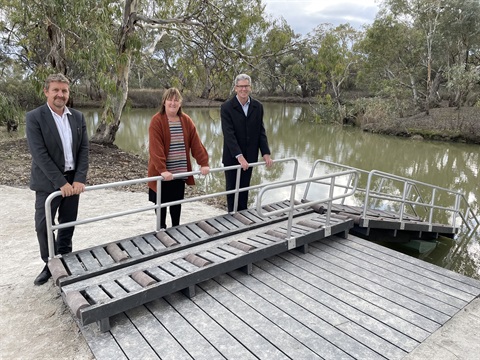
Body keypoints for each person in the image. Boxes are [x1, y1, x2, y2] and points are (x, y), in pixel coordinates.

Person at [26, 73, 89, 286]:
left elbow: (84, 150)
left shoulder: (78, 117)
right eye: (56, 90)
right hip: (47, 183)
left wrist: (79, 178)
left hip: (74, 181)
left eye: (64, 91)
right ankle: (49, 264)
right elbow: (39, 154)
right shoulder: (35, 117)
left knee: (67, 223)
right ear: (46, 91)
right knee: (43, 226)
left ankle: (65, 258)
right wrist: (60, 183)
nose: (60, 95)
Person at [148, 87, 210, 229]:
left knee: (176, 209)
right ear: (164, 102)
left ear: (180, 103)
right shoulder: (157, 121)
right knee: (161, 209)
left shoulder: (186, 120)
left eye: (176, 100)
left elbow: (196, 143)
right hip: (161, 175)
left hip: (179, 173)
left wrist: (203, 163)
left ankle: (176, 233)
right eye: (170, 99)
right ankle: (161, 233)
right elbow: (155, 148)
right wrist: (163, 170)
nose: (173, 103)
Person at [221, 73, 273, 213]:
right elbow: (229, 134)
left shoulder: (258, 106)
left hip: (249, 156)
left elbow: (260, 131)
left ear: (250, 88)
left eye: (246, 86)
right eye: (240, 86)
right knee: (232, 191)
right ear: (235, 88)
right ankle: (232, 218)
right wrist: (239, 155)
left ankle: (243, 217)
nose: (243, 89)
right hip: (232, 157)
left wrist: (266, 153)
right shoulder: (226, 107)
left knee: (244, 189)